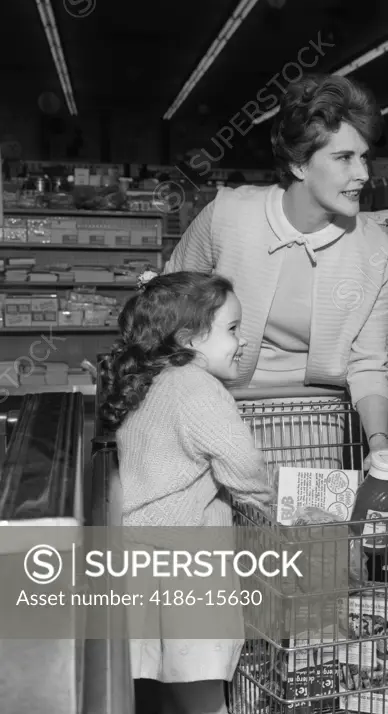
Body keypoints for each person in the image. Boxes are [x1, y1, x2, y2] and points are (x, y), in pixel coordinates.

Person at [166, 73, 388, 455]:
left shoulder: (374, 249)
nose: (363, 174)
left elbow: (368, 364)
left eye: (364, 156)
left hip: (312, 417)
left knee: (307, 514)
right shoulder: (228, 216)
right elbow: (169, 301)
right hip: (215, 400)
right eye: (343, 158)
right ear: (299, 164)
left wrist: (379, 444)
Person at [100, 271, 273, 714]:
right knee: (203, 691)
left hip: (141, 557)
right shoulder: (199, 388)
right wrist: (267, 495)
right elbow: (243, 461)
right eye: (232, 329)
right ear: (189, 337)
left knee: (161, 682)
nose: (242, 340)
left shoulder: (152, 378)